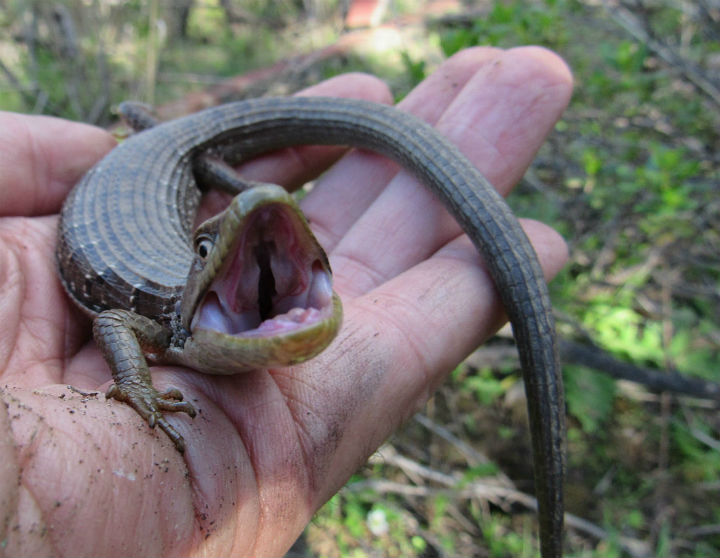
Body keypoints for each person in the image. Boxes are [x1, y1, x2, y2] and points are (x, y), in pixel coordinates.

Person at [0, 46, 571, 555]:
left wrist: (257, 209)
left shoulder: (201, 293)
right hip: (166, 160)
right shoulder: (167, 323)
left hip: (178, 154)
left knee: (257, 204)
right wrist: (136, 389)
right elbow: (115, 322)